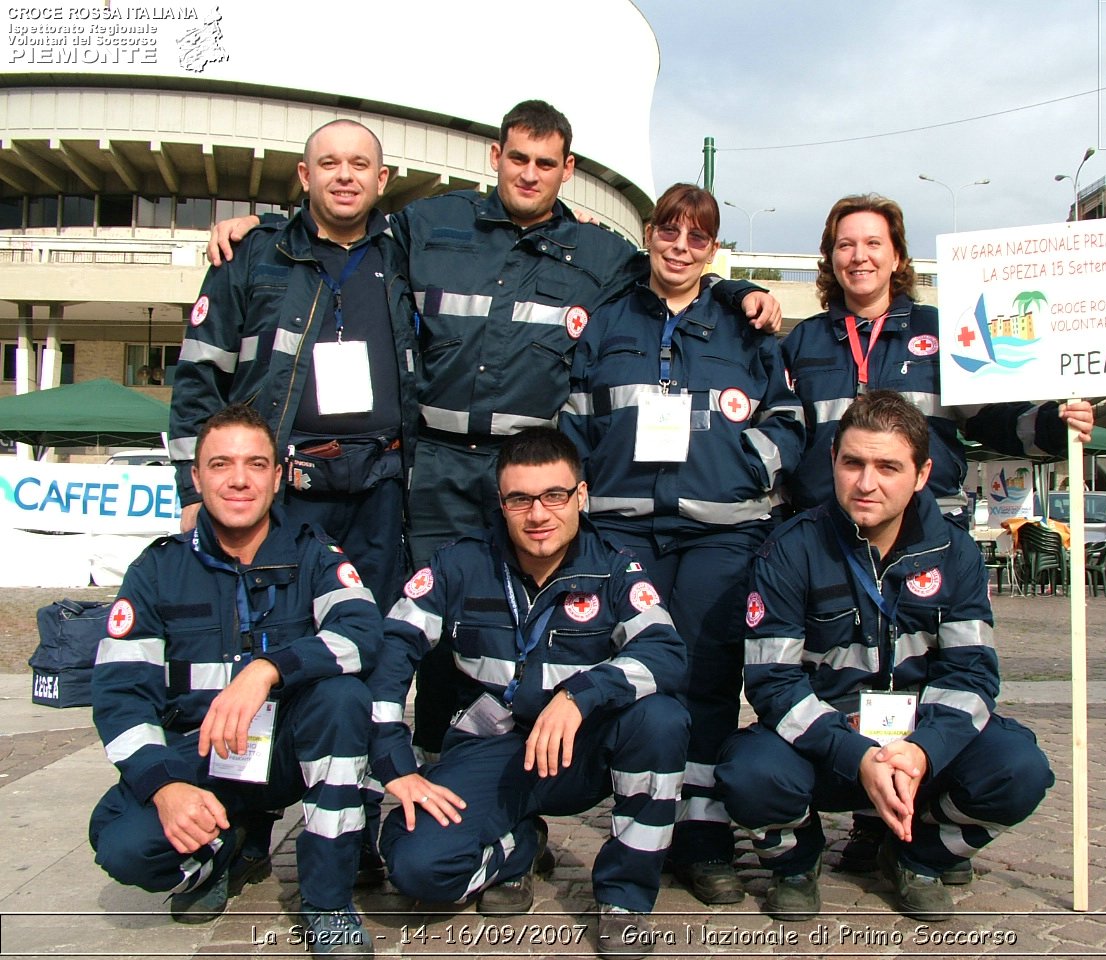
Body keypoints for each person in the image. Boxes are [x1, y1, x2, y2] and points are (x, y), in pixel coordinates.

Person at [209, 101, 780, 758]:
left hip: (528, 473)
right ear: (496, 158)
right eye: (518, 159)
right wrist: (265, 227)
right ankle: (428, 759)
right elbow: (346, 228)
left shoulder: (599, 251)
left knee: (515, 620)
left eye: (545, 163)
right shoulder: (431, 222)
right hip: (437, 469)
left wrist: (741, 294)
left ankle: (516, 772)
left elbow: (675, 278)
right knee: (429, 621)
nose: (529, 174)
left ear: (566, 169)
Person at [715, 391, 1054, 922]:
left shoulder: (956, 552)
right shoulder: (789, 548)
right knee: (749, 772)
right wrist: (857, 755)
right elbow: (774, 683)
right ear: (833, 462)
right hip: (826, 744)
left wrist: (922, 750)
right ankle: (796, 863)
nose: (866, 483)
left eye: (888, 467)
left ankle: (918, 856)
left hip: (920, 745)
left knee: (1019, 769)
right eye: (853, 463)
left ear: (922, 474)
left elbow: (970, 672)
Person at [558, 183, 805, 905]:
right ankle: (641, 825)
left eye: (698, 238)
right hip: (623, 526)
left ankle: (701, 836)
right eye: (670, 230)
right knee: (640, 673)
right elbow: (575, 418)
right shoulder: (607, 321)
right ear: (650, 233)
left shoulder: (744, 325)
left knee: (707, 677)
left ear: (712, 249)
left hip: (721, 531)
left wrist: (743, 466)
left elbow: (787, 421)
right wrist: (584, 493)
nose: (680, 247)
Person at [367, 427, 688, 957]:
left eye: (554, 496)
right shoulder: (460, 564)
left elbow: (666, 652)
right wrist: (395, 762)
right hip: (493, 749)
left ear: (581, 497)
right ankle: (519, 846)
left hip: (579, 751)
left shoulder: (614, 566)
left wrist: (581, 694)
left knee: (662, 720)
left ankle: (625, 899)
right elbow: (390, 650)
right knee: (416, 867)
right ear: (501, 502)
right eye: (520, 499)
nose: (538, 515)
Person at [88, 404, 382, 957]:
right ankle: (225, 851)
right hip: (199, 759)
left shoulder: (314, 554)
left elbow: (363, 631)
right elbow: (121, 695)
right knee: (125, 846)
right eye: (221, 464)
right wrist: (165, 788)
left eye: (255, 464)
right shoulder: (156, 571)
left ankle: (326, 905)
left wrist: (268, 670)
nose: (239, 479)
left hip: (289, 755)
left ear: (277, 476)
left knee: (343, 698)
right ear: (196, 477)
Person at [171, 119, 419, 614]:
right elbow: (200, 375)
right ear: (305, 176)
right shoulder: (252, 254)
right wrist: (190, 489)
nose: (344, 176)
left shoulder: (410, 255)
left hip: (382, 491)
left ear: (382, 179)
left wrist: (572, 225)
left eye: (359, 164)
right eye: (329, 164)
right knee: (280, 625)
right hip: (286, 484)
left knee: (371, 627)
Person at [782, 193, 1094, 518]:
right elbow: (784, 439)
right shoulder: (803, 342)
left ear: (897, 258)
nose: (859, 256)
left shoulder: (944, 330)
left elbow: (993, 419)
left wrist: (1056, 425)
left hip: (931, 526)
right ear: (831, 258)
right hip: (826, 532)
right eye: (845, 245)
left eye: (873, 243)